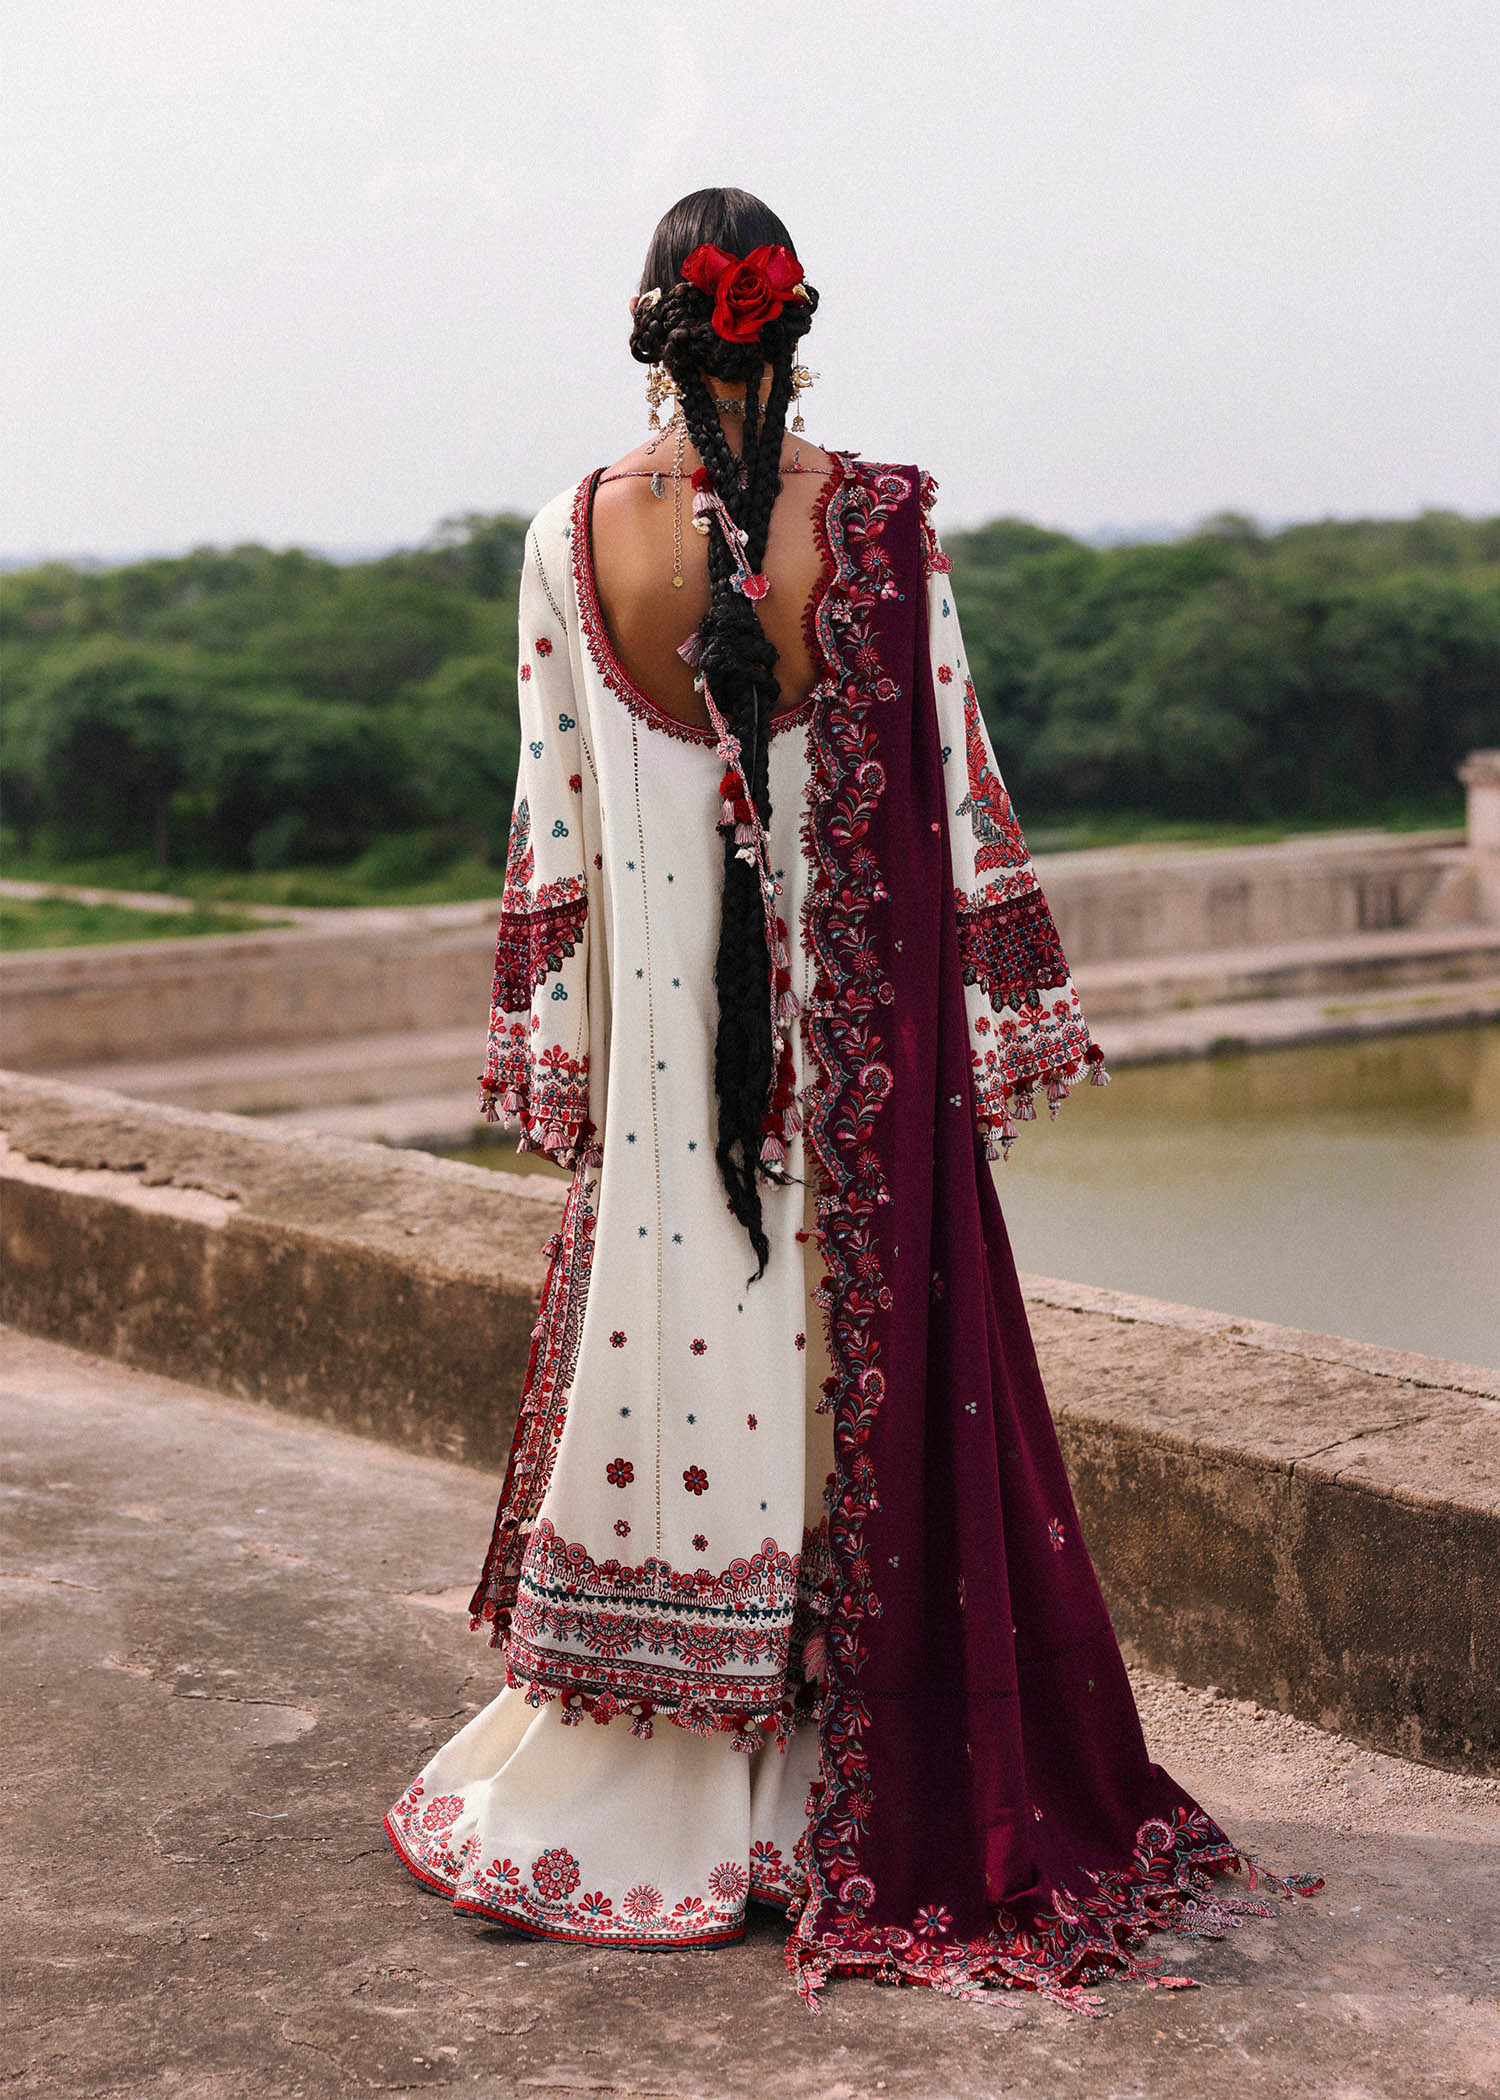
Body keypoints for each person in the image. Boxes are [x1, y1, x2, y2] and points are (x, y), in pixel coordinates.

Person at [384, 187, 1319, 2010]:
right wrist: (987, 1036)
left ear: (650, 333)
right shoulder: (879, 525)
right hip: (855, 1080)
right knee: (842, 1382)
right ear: (794, 335)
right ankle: (845, 1774)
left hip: (667, 1088)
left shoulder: (569, 534)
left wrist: (564, 1058)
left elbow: (551, 819)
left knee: (677, 1361)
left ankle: (655, 1768)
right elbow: (957, 800)